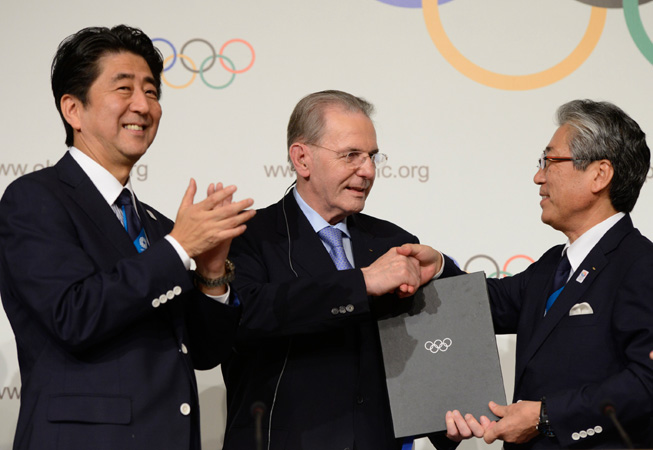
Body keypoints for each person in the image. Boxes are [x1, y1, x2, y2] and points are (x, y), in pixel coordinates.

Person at [0, 25, 255, 450]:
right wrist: (179, 249)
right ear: (73, 110)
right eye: (124, 88)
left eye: (152, 92)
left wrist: (211, 275)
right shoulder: (33, 198)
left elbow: (205, 352)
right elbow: (73, 314)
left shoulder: (153, 224)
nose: (143, 105)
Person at [221, 90, 459, 450]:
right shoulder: (249, 236)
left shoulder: (394, 242)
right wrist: (361, 282)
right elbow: (245, 316)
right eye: (351, 156)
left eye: (372, 157)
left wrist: (448, 415)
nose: (368, 171)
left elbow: (443, 323)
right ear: (302, 159)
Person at [443, 100, 653, 448]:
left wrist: (546, 416)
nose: (539, 176)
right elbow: (483, 304)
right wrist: (434, 265)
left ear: (599, 175)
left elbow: (646, 382)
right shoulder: (552, 264)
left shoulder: (640, 265)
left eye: (550, 161)